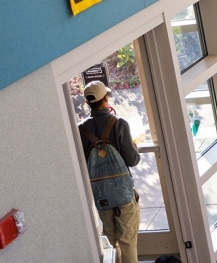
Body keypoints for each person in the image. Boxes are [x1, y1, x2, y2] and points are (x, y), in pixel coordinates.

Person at [80, 81, 141, 263]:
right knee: (127, 242)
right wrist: (135, 148)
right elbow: (132, 160)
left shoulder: (80, 130)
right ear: (106, 99)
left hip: (101, 196)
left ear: (87, 103)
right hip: (123, 194)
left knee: (110, 243)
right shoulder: (119, 124)